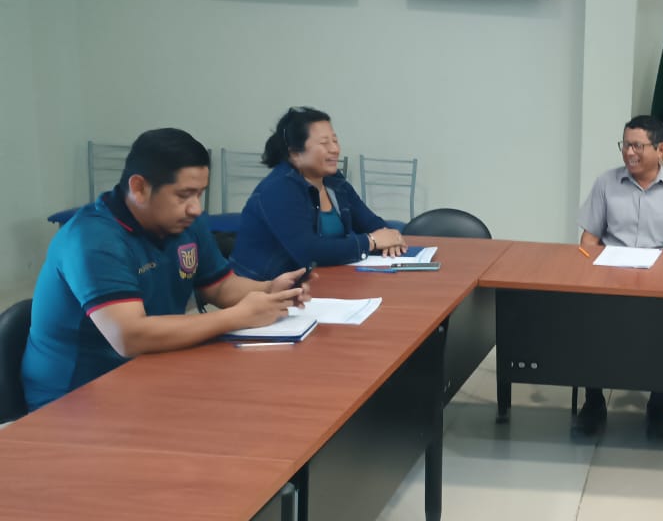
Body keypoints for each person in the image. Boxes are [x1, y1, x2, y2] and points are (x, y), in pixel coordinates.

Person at [22, 128, 311, 411]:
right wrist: (237, 316)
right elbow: (129, 337)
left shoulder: (185, 223)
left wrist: (269, 289)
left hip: (149, 371)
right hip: (73, 400)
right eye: (184, 195)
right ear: (139, 188)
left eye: (200, 194)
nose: (195, 208)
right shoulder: (92, 239)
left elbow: (221, 287)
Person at [575, 115, 663, 441]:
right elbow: (588, 241)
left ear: (661, 150)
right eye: (625, 145)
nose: (629, 153)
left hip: (661, 283)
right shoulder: (606, 183)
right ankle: (593, 402)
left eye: (638, 146)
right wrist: (585, 278)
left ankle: (657, 405)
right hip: (610, 279)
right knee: (589, 321)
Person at [230, 107, 406, 280]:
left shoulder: (333, 180)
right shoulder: (278, 189)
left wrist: (390, 237)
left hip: (320, 281)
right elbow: (310, 251)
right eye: (324, 143)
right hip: (264, 288)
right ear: (295, 154)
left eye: (335, 140)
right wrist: (372, 241)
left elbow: (370, 222)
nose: (335, 149)